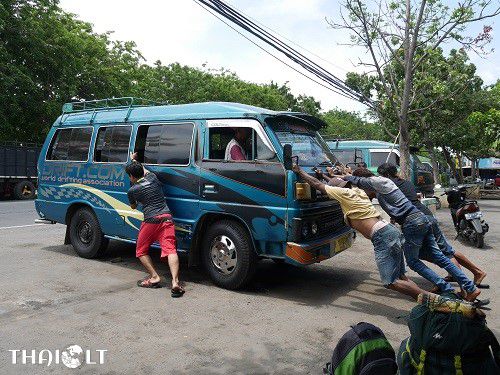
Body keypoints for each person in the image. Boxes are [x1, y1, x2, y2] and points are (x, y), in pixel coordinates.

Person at [293, 163, 436, 301]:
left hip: (383, 236)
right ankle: (421, 299)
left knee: (390, 282)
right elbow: (339, 181)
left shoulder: (344, 193)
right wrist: (331, 175)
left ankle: (433, 300)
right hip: (390, 231)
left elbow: (318, 185)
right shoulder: (359, 191)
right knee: (401, 277)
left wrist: (299, 171)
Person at [341, 168, 483, 304]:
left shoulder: (379, 182)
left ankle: (446, 289)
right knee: (440, 257)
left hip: (412, 222)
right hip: (421, 218)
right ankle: (470, 288)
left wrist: (344, 177)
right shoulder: (384, 186)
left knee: (414, 262)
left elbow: (359, 182)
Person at [377, 163, 488, 289]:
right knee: (441, 251)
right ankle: (467, 275)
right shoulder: (405, 182)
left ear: (385, 175)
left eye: (380, 176)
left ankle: (466, 282)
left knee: (443, 253)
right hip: (426, 215)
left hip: (417, 219)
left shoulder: (390, 187)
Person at [125, 155, 184, 297]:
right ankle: (175, 282)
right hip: (167, 218)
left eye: (129, 176)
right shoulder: (153, 178)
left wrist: (134, 193)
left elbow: (133, 207)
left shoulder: (132, 190)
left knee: (141, 250)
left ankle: (154, 277)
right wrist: (135, 161)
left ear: (132, 176)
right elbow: (143, 170)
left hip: (151, 220)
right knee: (171, 250)